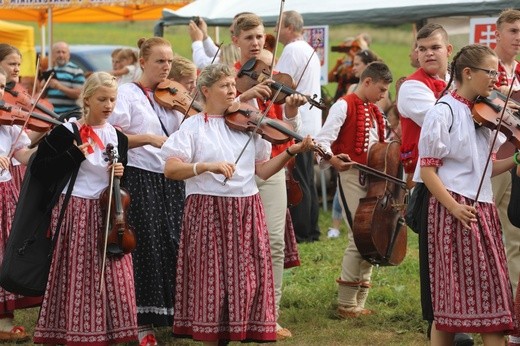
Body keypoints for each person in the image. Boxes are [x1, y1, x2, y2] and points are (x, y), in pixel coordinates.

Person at [161, 62, 314, 345]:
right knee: (212, 282)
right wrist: (205, 167)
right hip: (208, 210)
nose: (233, 90)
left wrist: (291, 150)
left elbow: (263, 171)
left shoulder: (247, 124)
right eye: (225, 86)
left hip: (246, 208)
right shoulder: (193, 127)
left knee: (246, 281)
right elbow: (171, 169)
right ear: (205, 90)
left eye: (233, 85)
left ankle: (238, 332)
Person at [417, 43, 516, 345]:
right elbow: (428, 171)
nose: (496, 80)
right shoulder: (443, 112)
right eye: (491, 72)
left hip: (481, 208)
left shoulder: (482, 116)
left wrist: (516, 160)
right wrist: (454, 208)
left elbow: (487, 169)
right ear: (468, 73)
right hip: (453, 209)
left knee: (494, 301)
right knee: (450, 305)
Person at [31, 71, 138, 345]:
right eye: (102, 99)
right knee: (78, 275)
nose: (109, 105)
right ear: (87, 99)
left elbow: (117, 184)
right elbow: (41, 171)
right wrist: (72, 155)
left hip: (108, 214)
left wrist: (119, 172)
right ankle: (76, 331)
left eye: (113, 100)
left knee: (113, 275)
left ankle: (112, 331)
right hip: (76, 209)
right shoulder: (66, 133)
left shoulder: (119, 138)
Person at [231, 12, 306, 340]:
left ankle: (270, 315)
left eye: (260, 37)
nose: (256, 43)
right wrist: (247, 94)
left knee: (274, 242)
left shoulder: (277, 80)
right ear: (236, 41)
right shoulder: (226, 77)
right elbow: (213, 113)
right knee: (239, 246)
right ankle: (239, 311)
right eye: (249, 38)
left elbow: (288, 132)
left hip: (272, 168)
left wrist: (291, 112)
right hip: (235, 172)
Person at [108, 37, 185, 346]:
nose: (166, 67)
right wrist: (148, 138)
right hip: (141, 176)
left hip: (171, 177)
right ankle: (142, 323)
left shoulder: (173, 95)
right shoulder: (128, 93)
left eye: (169, 61)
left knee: (173, 242)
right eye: (159, 61)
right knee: (147, 247)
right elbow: (112, 134)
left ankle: (172, 314)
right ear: (143, 62)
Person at [315, 61, 392, 318]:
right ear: (367, 82)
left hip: (373, 179)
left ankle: (359, 302)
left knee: (372, 234)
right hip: (351, 175)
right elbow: (322, 141)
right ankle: (347, 303)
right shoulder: (343, 105)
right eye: (380, 89)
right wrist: (332, 158)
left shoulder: (375, 111)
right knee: (358, 235)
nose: (383, 95)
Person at [275, 10, 323, 243]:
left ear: (290, 27)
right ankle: (311, 227)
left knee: (299, 178)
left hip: (297, 120)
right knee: (306, 178)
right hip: (309, 122)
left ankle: (303, 231)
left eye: (279, 26)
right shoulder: (307, 50)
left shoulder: (292, 49)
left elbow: (280, 84)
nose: (276, 31)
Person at [0, 66, 38, 344]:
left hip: (4, 190)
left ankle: (4, 319)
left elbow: (23, 154)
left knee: (5, 253)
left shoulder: (6, 123)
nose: (1, 95)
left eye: (3, 88)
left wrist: (52, 147)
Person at [491, 8, 520, 346]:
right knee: (487, 234)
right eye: (512, 30)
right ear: (497, 33)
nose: (517, 36)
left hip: (513, 158)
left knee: (514, 235)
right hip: (488, 161)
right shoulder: (487, 66)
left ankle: (514, 318)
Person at [45, 41, 86, 115]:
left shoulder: (76, 71)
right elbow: (43, 95)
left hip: (68, 115)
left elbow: (79, 94)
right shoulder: (50, 70)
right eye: (58, 52)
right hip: (50, 114)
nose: (61, 55)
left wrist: (59, 87)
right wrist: (44, 86)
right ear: (53, 55)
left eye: (63, 52)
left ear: (68, 55)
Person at [346, 49, 392, 114]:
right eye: (353, 65)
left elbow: (377, 115)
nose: (353, 68)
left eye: (357, 64)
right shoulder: (352, 87)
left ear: (368, 65)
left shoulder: (381, 91)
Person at [328, 36, 368, 101]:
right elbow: (329, 79)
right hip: (339, 100)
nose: (348, 50)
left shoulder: (360, 65)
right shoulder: (343, 63)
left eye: (351, 47)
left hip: (352, 101)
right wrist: (337, 66)